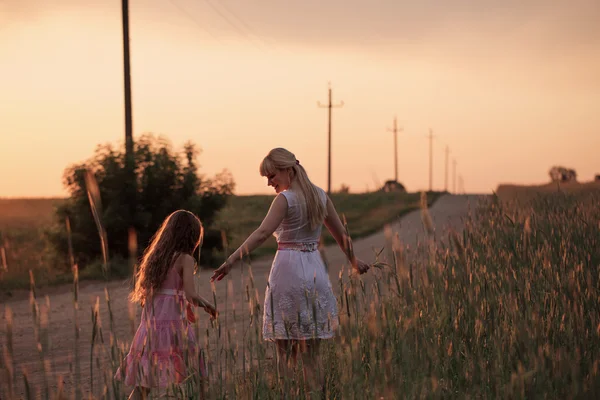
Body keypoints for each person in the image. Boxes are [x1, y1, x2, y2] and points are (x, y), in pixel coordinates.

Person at [210, 147, 370, 381]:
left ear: (287, 170)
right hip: (315, 269)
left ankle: (286, 392)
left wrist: (231, 260)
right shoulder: (320, 196)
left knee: (284, 352)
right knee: (312, 355)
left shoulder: (285, 200)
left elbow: (263, 232)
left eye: (271, 176)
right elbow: (341, 234)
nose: (269, 183)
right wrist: (354, 261)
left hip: (288, 271)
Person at [115, 210, 218, 400]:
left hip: (150, 329)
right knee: (199, 374)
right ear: (192, 236)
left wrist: (183, 306)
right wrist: (207, 305)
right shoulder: (186, 259)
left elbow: (158, 295)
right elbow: (191, 294)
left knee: (143, 385)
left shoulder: (155, 258)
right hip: (175, 328)